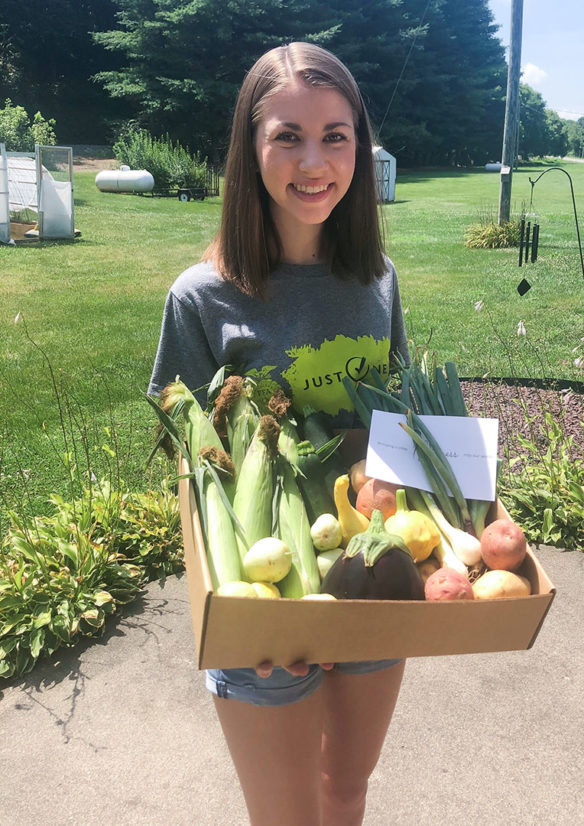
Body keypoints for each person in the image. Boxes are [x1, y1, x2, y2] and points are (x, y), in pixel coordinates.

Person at [149, 42, 410, 826]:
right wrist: (252, 611)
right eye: (287, 135)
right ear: (249, 147)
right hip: (262, 596)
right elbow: (195, 470)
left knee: (347, 792)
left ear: (359, 149)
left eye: (336, 135)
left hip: (369, 578)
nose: (314, 160)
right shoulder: (200, 299)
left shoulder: (376, 281)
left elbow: (393, 420)